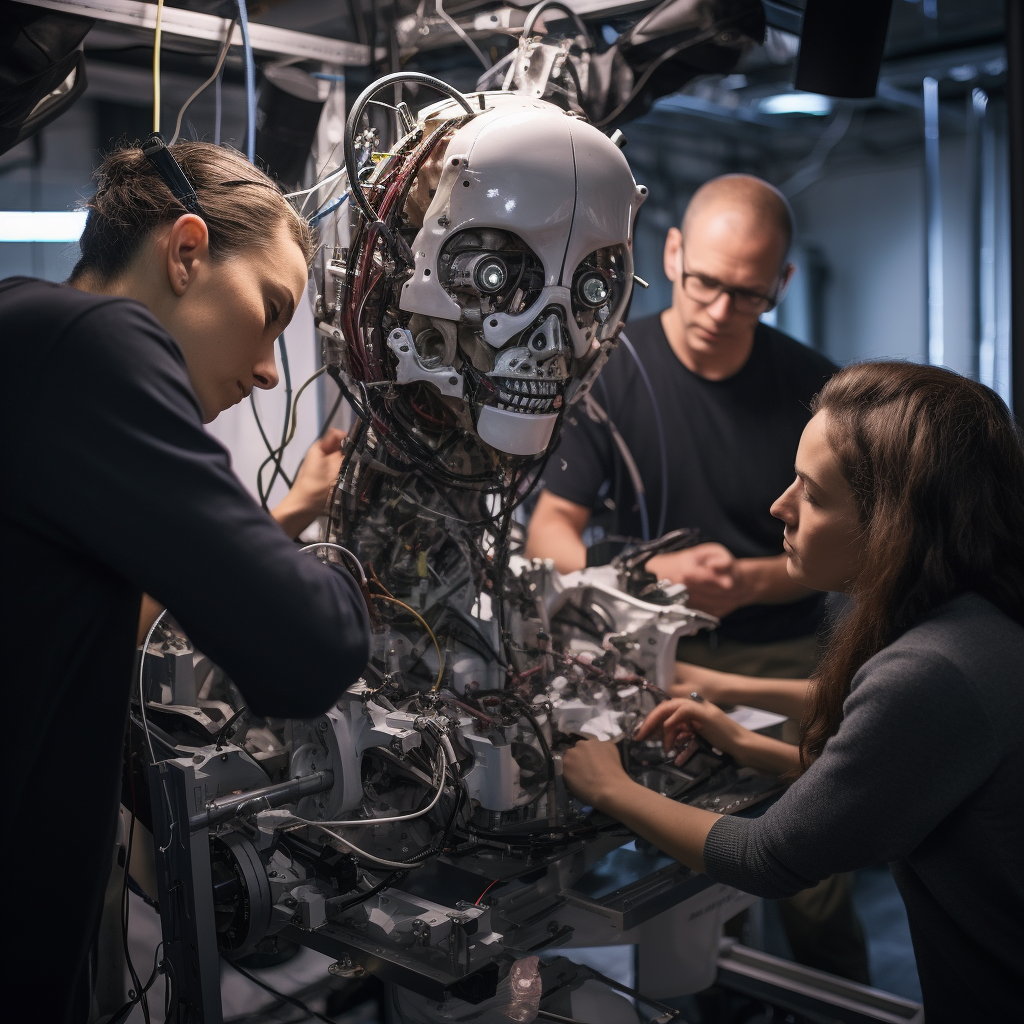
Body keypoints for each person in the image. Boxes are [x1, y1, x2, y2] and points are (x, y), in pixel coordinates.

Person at [0, 140, 371, 1023]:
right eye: (272, 311)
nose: (272, 368)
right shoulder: (100, 341)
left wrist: (285, 521)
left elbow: (90, 612)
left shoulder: (26, 328)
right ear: (187, 250)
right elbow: (308, 652)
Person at [561, 362, 1024, 1020]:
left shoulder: (934, 669)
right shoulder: (973, 617)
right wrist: (751, 744)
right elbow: (897, 777)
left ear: (893, 520)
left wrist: (608, 785)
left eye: (811, 491)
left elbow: (768, 855)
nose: (779, 506)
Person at [526, 173, 837, 680]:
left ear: (782, 283)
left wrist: (747, 582)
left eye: (748, 294)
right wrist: (652, 574)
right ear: (673, 253)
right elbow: (548, 536)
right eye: (706, 282)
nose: (720, 312)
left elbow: (854, 551)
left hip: (780, 656)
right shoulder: (603, 371)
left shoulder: (823, 392)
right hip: (640, 647)